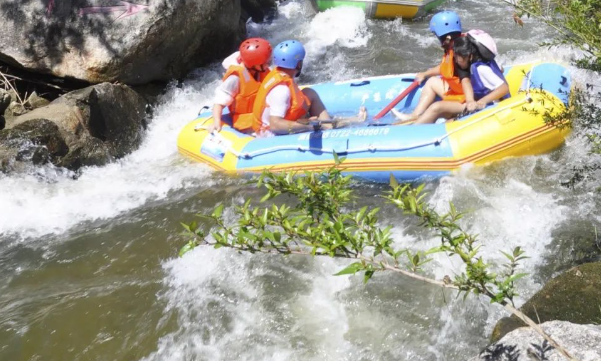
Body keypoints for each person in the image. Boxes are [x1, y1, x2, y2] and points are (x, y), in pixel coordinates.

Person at [252, 40, 366, 136]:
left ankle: (329, 124)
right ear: (298, 64)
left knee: (309, 93)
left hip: (281, 120)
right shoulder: (282, 90)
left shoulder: (279, 74)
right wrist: (307, 127)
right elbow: (275, 125)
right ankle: (330, 127)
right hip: (270, 135)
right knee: (315, 124)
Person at [392, 11, 468, 124]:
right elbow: (445, 68)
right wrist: (425, 74)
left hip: (467, 100)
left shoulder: (461, 54)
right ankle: (414, 116)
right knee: (432, 81)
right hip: (460, 93)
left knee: (435, 107)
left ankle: (411, 130)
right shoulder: (453, 47)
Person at [208, 38, 272, 133]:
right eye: (266, 62)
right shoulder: (235, 79)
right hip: (247, 124)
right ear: (254, 63)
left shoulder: (261, 71)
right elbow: (219, 102)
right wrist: (216, 121)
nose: (269, 64)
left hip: (262, 116)